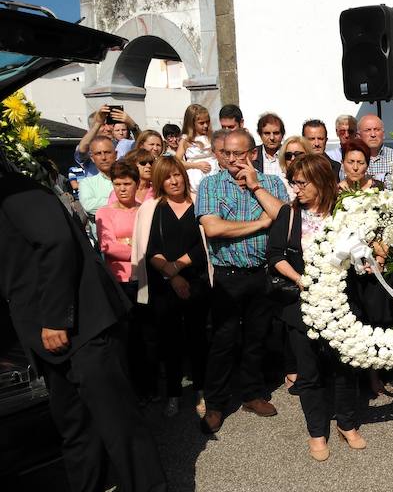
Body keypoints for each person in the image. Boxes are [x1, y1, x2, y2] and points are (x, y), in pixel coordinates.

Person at [0, 166, 174, 492]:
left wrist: (55, 318)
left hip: (80, 326)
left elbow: (57, 242)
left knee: (119, 423)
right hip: (46, 332)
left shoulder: (15, 191)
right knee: (74, 426)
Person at [267, 153, 365, 460]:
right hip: (303, 306)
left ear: (320, 181)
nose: (296, 189)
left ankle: (347, 423)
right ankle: (317, 432)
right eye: (293, 183)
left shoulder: (343, 212)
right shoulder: (289, 214)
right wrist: (299, 279)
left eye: (301, 183)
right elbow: (275, 256)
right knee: (308, 373)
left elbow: (361, 249)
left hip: (341, 304)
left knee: (345, 368)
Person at [195, 128, 289, 434]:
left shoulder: (272, 183)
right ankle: (216, 403)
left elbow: (284, 218)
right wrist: (260, 224)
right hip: (228, 275)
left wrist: (256, 186)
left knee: (256, 338)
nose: (232, 159)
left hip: (262, 273)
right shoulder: (211, 184)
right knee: (222, 341)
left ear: (252, 154)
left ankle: (251, 394)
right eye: (227, 153)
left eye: (239, 153)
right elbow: (213, 228)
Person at [132, 155, 213, 418]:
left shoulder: (199, 203)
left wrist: (178, 266)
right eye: (167, 177)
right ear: (159, 181)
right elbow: (148, 248)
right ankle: (174, 393)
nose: (174, 180)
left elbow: (204, 245)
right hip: (163, 285)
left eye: (177, 174)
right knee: (169, 342)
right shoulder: (151, 208)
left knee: (198, 339)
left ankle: (201, 390)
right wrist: (172, 274)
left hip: (196, 282)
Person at [95, 160, 154, 402]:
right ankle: (129, 389)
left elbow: (153, 244)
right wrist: (139, 248)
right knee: (126, 338)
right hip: (120, 282)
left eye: (127, 183)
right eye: (117, 184)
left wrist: (127, 244)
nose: (121, 188)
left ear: (136, 184)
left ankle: (148, 387)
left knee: (147, 335)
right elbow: (108, 247)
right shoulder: (104, 212)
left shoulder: (145, 210)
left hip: (145, 279)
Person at [74, 105, 140, 177]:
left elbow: (143, 145)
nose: (108, 129)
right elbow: (82, 149)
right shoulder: (88, 147)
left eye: (110, 124)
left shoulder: (123, 145)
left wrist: (133, 126)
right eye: (103, 125)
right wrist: (98, 123)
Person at [78, 136, 117, 238]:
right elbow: (89, 206)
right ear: (92, 158)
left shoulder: (129, 179)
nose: (103, 157)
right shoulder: (87, 183)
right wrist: (122, 202)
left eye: (107, 152)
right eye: (98, 153)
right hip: (104, 240)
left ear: (116, 154)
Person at [176, 104, 216, 192]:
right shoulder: (186, 140)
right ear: (192, 124)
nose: (206, 125)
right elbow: (177, 162)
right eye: (201, 123)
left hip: (214, 176)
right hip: (196, 180)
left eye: (207, 122)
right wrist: (197, 165)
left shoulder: (212, 137)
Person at [355, 114, 393, 187]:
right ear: (358, 136)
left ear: (383, 134)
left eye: (377, 130)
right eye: (368, 130)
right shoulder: (352, 160)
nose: (373, 134)